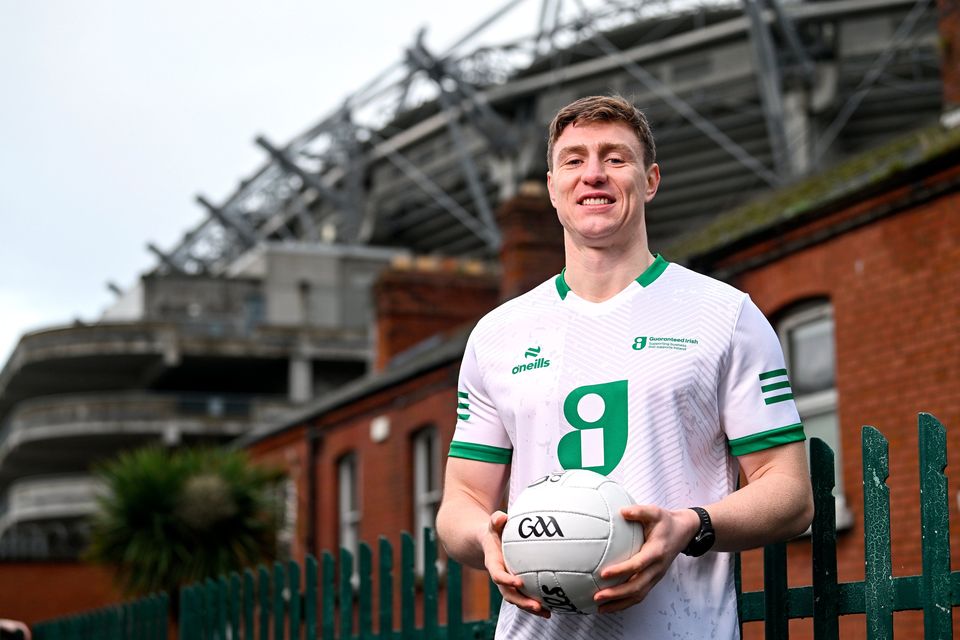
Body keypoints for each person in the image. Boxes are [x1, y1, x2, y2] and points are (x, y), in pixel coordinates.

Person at [435, 94, 814, 639]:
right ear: (551, 188)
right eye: (574, 160)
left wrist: (689, 526)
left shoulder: (726, 315)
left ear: (651, 180)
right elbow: (461, 503)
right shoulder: (497, 334)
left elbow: (790, 494)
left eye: (615, 159)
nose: (594, 174)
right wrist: (486, 542)